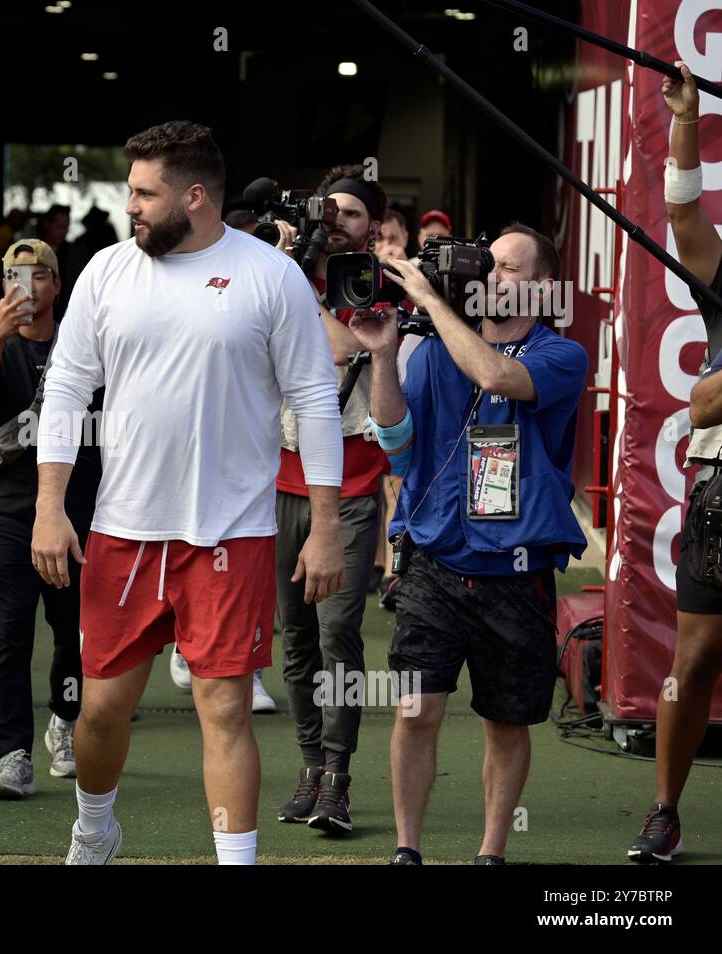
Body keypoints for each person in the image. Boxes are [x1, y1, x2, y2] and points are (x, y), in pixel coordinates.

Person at [33, 121, 344, 865]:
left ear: (195, 196)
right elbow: (68, 387)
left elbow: (317, 398)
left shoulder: (271, 278)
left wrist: (327, 525)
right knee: (103, 708)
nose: (129, 205)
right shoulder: (107, 271)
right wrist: (50, 506)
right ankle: (95, 825)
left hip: (232, 534)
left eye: (144, 192)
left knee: (226, 708)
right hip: (123, 530)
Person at [349, 222, 587, 865]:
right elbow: (396, 446)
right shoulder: (429, 352)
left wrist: (429, 302)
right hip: (435, 560)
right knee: (414, 711)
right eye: (489, 263)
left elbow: (500, 377)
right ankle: (407, 849)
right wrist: (380, 355)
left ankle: (491, 853)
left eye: (508, 267)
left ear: (541, 288)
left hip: (517, 571)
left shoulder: (561, 356)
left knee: (505, 723)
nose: (491, 274)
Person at [274, 164, 392, 834]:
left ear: (372, 224)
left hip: (348, 488)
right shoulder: (285, 273)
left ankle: (340, 778)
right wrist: (285, 262)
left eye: (350, 213)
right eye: (329, 210)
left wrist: (300, 285)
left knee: (337, 633)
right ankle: (310, 766)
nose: (335, 222)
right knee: (294, 638)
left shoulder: (371, 283)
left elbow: (348, 348)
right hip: (283, 481)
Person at [628, 61, 722, 864]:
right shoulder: (721, 274)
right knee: (692, 657)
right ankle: (664, 810)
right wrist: (686, 121)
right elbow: (686, 213)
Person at [0, 239, 101, 799]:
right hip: (7, 513)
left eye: (40, 275)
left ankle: (65, 722)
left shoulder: (84, 348)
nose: (27, 286)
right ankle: (13, 754)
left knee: (74, 636)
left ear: (58, 285)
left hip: (77, 513)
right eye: (14, 276)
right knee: (8, 636)